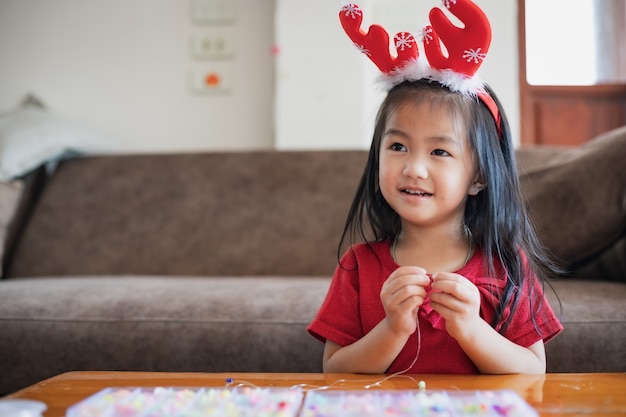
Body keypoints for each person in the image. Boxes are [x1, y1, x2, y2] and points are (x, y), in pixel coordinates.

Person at [307, 1, 563, 375]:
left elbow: (532, 371)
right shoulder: (358, 266)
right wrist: (393, 328)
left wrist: (471, 329)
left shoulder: (508, 265)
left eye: (440, 151)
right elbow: (334, 369)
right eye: (397, 147)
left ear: (479, 177)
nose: (413, 168)